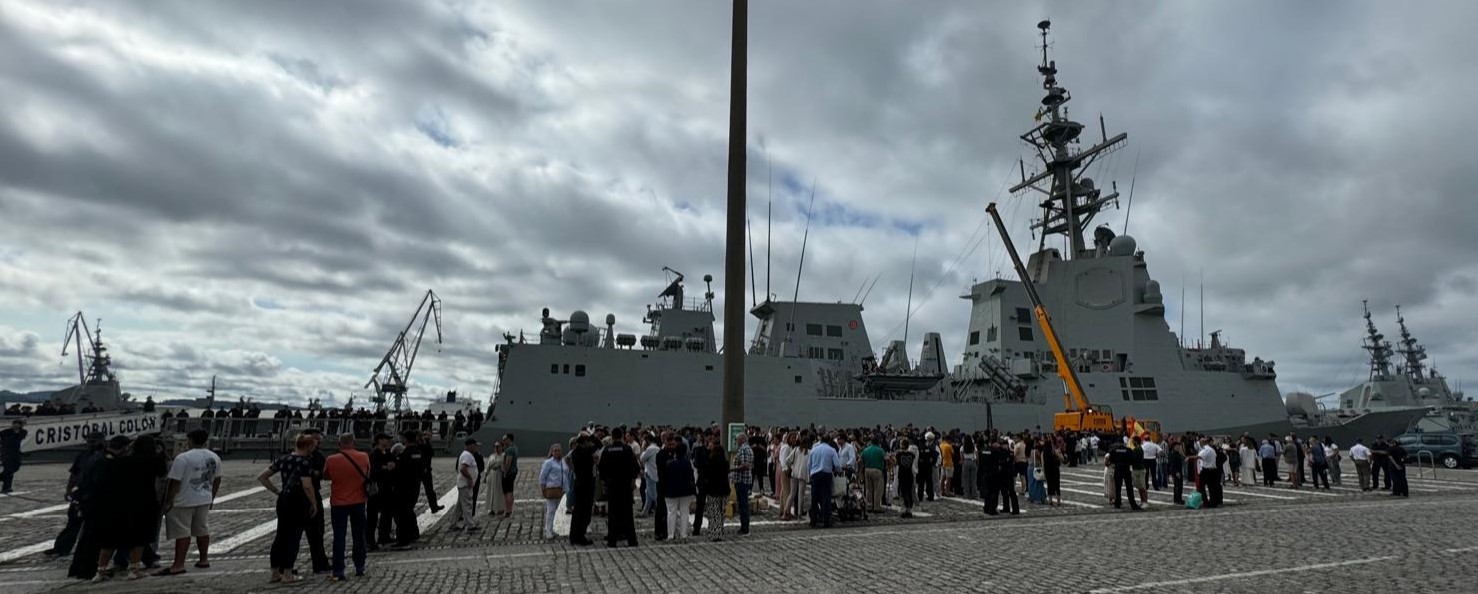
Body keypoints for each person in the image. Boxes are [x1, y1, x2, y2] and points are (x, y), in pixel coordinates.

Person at [156, 429, 221, 577]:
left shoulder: (182, 458)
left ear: (190, 440)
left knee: (182, 532)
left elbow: (174, 482)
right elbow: (218, 478)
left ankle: (178, 564)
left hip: (183, 500)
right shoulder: (214, 457)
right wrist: (212, 496)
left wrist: (169, 501)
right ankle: (203, 559)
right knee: (202, 529)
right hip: (204, 497)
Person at [259, 434, 319, 583]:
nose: (315, 448)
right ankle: (288, 572)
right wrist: (314, 503)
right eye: (313, 445)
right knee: (294, 536)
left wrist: (277, 491)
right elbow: (306, 485)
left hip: (284, 499)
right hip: (298, 501)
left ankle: (275, 572)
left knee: (280, 535)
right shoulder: (305, 462)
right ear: (308, 446)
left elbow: (263, 476)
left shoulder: (284, 459)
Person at [46, 431, 106, 558]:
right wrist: (69, 489)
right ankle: (61, 548)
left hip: (100, 493)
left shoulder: (106, 455)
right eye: (89, 440)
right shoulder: (83, 455)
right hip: (82, 492)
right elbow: (75, 473)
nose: (90, 443)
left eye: (93, 440)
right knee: (73, 521)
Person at [322, 434, 372, 582]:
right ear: (354, 442)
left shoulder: (331, 459)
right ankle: (360, 567)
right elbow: (367, 474)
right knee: (359, 536)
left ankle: (338, 570)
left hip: (339, 502)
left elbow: (326, 476)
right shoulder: (364, 456)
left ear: (339, 443)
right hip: (358, 501)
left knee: (339, 536)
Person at [598, 427, 641, 547]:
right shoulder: (627, 449)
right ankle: (632, 540)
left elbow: (601, 469)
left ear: (612, 436)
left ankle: (612, 540)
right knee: (627, 513)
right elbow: (635, 467)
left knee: (613, 513)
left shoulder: (607, 450)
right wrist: (632, 480)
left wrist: (604, 484)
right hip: (625, 485)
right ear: (622, 436)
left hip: (612, 485)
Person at [366, 434, 397, 550]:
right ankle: (369, 541)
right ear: (379, 440)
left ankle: (384, 536)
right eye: (385, 439)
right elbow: (373, 469)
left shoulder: (388, 453)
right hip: (377, 488)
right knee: (372, 515)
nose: (388, 441)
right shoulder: (374, 454)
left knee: (387, 514)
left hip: (387, 487)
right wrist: (385, 467)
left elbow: (394, 463)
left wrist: (392, 466)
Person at [568, 433, 598, 546]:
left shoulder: (575, 452)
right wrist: (592, 437)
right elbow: (597, 446)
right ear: (585, 442)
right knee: (585, 512)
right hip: (586, 484)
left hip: (579, 483)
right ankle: (581, 536)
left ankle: (574, 536)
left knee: (577, 511)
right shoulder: (586, 452)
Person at [663, 442, 696, 541]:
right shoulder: (688, 463)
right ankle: (684, 534)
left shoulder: (669, 463)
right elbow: (691, 477)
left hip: (671, 491)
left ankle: (670, 535)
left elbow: (665, 478)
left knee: (671, 512)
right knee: (684, 512)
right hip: (685, 491)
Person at [698, 435, 730, 541]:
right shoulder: (725, 464)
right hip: (724, 491)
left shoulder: (710, 463)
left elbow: (706, 475)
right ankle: (720, 531)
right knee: (721, 513)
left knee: (713, 512)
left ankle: (714, 533)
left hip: (713, 491)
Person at [447, 438, 481, 532]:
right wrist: (470, 479)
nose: (476, 447)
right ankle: (470, 525)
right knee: (467, 505)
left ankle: (453, 524)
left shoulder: (465, 454)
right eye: (474, 445)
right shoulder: (467, 455)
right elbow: (463, 469)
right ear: (470, 445)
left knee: (460, 506)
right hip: (465, 484)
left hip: (462, 483)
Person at [730, 434, 754, 536]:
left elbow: (744, 465)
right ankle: (744, 527)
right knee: (744, 504)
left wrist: (733, 468)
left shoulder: (743, 449)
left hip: (742, 480)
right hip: (744, 480)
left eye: (737, 440)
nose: (736, 442)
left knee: (743, 505)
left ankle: (745, 528)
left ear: (741, 440)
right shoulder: (748, 448)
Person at [1109, 441, 1141, 511]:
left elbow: (1111, 460)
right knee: (1129, 487)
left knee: (1117, 487)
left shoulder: (1114, 450)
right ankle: (1133, 504)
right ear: (1123, 444)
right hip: (1126, 469)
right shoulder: (1128, 450)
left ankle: (1118, 503)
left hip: (1117, 469)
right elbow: (1133, 459)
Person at [861, 437, 887, 512]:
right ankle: (876, 507)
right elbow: (886, 458)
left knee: (869, 489)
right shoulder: (880, 450)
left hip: (867, 469)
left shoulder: (866, 449)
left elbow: (861, 459)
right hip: (877, 470)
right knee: (877, 489)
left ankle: (869, 506)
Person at [1194, 437, 1222, 508]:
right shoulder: (1212, 449)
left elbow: (1199, 456)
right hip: (1213, 470)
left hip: (1206, 470)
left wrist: (1189, 457)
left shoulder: (1205, 450)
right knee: (1212, 487)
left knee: (1201, 486)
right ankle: (1213, 502)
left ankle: (1205, 501)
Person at [0, 419, 25, 494]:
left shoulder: (23, 432)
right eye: (15, 423)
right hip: (6, 453)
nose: (16, 425)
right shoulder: (6, 432)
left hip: (16, 453)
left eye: (18, 424)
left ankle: (5, 483)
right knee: (9, 470)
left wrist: (19, 429)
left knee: (16, 467)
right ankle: (7, 487)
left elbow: (19, 437)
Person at [895, 437, 918, 518]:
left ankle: (905, 508)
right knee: (909, 491)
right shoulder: (912, 454)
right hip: (909, 474)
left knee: (903, 492)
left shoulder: (898, 454)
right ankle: (909, 509)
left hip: (902, 475)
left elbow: (896, 463)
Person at [485, 441, 506, 519]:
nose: (496, 448)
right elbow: (488, 466)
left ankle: (500, 508)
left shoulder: (504, 456)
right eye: (495, 446)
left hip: (499, 475)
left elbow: (504, 466)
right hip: (491, 475)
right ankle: (491, 508)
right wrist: (485, 476)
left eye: (498, 446)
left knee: (499, 492)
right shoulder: (491, 456)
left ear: (502, 447)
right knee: (491, 492)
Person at [500, 434, 519, 518]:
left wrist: (504, 472)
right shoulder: (514, 447)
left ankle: (507, 511)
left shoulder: (510, 450)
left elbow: (508, 462)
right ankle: (509, 510)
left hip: (509, 473)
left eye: (505, 439)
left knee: (507, 492)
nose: (503, 441)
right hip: (513, 472)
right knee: (510, 491)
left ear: (509, 439)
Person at [1167, 440, 1186, 505]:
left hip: (1179, 471)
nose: (1178, 447)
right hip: (1176, 472)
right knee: (1178, 486)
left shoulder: (1177, 453)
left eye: (1179, 446)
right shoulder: (1173, 454)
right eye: (1177, 446)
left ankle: (1178, 499)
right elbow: (1172, 464)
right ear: (1174, 447)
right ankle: (1177, 499)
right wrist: (1176, 472)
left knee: (1179, 486)